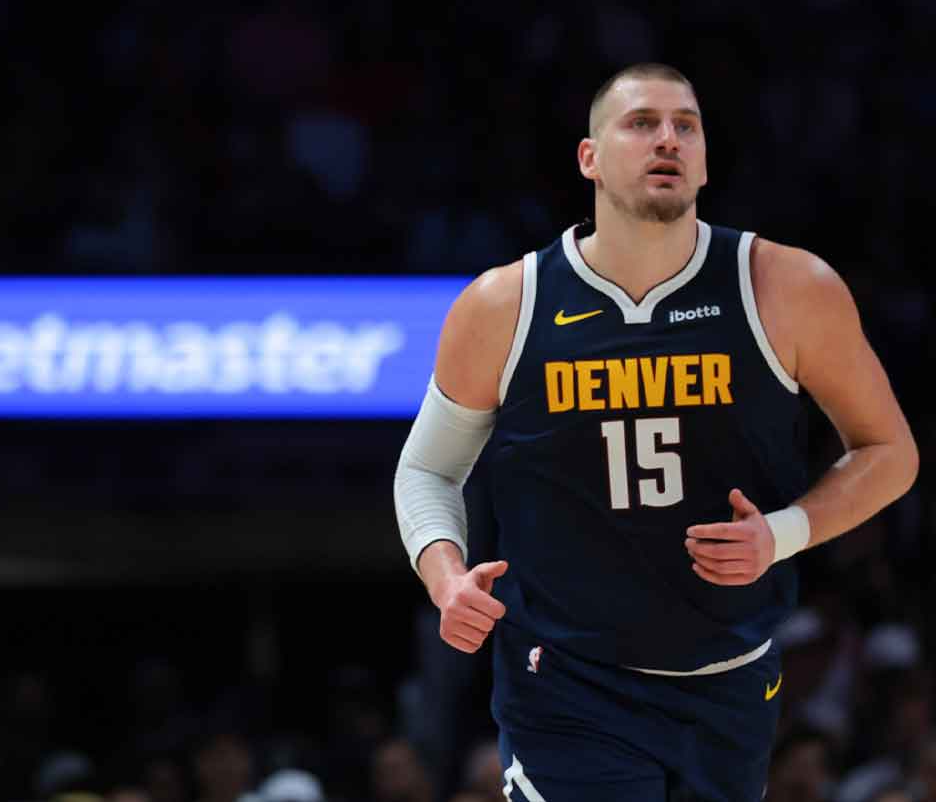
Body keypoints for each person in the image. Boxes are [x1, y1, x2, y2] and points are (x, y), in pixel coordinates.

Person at [392, 62, 919, 801]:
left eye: (686, 126)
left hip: (730, 682)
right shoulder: (505, 305)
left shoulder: (786, 287)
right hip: (566, 685)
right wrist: (446, 579)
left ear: (704, 161)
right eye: (642, 123)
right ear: (589, 157)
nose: (667, 139)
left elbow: (890, 451)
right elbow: (426, 469)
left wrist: (783, 533)